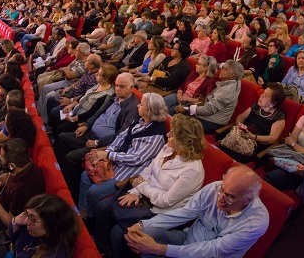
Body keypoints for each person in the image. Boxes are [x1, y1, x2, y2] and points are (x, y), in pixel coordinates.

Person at [95, 114, 206, 255]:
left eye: (171, 135)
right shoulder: (168, 148)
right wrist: (135, 192)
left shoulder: (192, 170)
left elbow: (165, 201)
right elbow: (149, 170)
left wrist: (141, 188)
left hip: (159, 211)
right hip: (144, 195)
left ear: (184, 142)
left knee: (118, 233)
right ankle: (101, 250)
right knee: (102, 207)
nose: (167, 135)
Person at [123, 165, 268, 258]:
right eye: (222, 190)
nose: (220, 198)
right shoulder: (214, 188)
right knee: (140, 236)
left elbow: (212, 250)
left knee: (149, 251)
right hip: (187, 238)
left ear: (247, 200)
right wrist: (143, 224)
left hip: (209, 255)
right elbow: (185, 213)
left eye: (230, 197)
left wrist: (159, 249)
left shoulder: (255, 223)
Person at [78, 93, 167, 226]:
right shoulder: (139, 121)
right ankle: (83, 212)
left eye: (141, 104)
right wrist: (106, 153)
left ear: (150, 110)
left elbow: (136, 159)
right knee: (85, 175)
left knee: (94, 192)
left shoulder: (156, 135)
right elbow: (120, 139)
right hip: (116, 162)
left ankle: (90, 221)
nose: (138, 105)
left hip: (128, 173)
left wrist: (109, 156)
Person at [56, 73, 140, 202]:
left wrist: (96, 142)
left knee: (71, 157)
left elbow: (121, 135)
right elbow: (98, 113)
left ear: (131, 87)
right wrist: (86, 126)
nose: (117, 89)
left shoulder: (132, 108)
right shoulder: (114, 97)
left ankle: (71, 192)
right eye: (116, 85)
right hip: (90, 134)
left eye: (122, 86)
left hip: (103, 144)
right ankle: (61, 176)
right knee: (62, 138)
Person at [0, 193, 79, 258]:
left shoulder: (53, 254)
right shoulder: (34, 229)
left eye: (33, 219)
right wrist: (15, 221)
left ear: (52, 225)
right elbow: (13, 239)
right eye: (27, 214)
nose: (26, 221)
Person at [220, 83, 286, 164]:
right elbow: (240, 117)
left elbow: (272, 138)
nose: (261, 96)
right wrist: (240, 126)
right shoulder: (256, 106)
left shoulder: (279, 116)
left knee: (230, 157)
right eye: (263, 93)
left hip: (254, 145)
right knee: (221, 148)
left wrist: (253, 136)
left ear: (273, 103)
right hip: (239, 136)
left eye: (266, 95)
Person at [175, 60, 242, 134]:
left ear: (232, 74)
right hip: (207, 113)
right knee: (177, 115)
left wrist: (186, 109)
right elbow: (224, 66)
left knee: (178, 122)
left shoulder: (227, 90)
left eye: (225, 69)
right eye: (222, 68)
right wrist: (214, 64)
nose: (221, 70)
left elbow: (208, 110)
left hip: (211, 121)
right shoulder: (236, 80)